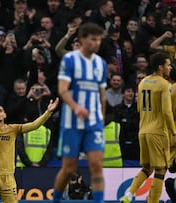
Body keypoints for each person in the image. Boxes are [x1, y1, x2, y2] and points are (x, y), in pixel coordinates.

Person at [53, 23, 107, 203]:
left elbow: (102, 95)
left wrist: (101, 119)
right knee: (69, 169)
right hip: (72, 122)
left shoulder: (101, 63)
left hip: (94, 123)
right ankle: (56, 200)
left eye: (99, 39)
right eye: (93, 39)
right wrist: (76, 107)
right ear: (82, 39)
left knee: (96, 165)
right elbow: (62, 89)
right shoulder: (69, 60)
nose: (97, 43)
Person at [120, 52, 176, 203]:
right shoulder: (164, 84)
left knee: (147, 168)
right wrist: (173, 133)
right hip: (157, 132)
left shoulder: (143, 82)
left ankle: (129, 194)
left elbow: (139, 108)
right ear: (160, 67)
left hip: (143, 131)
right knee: (161, 170)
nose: (169, 67)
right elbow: (166, 112)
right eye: (167, 64)